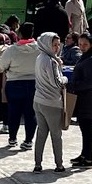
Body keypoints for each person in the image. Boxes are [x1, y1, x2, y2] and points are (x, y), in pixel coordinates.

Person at [67, 34, 92, 168]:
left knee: (88, 131)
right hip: (84, 99)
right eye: (80, 44)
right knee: (85, 130)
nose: (82, 47)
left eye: (85, 44)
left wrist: (72, 85)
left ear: (91, 44)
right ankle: (84, 155)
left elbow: (90, 82)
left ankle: (88, 158)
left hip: (89, 100)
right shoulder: (87, 57)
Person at [31, 31, 67, 174]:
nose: (57, 48)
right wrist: (66, 78)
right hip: (51, 103)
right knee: (56, 135)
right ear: (47, 45)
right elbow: (57, 83)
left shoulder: (40, 57)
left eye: (58, 45)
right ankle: (59, 165)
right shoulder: (51, 61)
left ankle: (37, 164)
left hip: (38, 100)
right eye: (54, 45)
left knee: (41, 134)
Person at [0, 31, 36, 150]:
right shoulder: (40, 49)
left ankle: (12, 138)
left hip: (14, 83)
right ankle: (28, 141)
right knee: (31, 114)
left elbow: (1, 66)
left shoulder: (12, 50)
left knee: (13, 112)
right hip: (34, 83)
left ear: (20, 35)